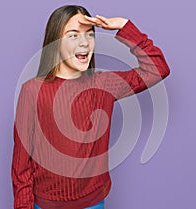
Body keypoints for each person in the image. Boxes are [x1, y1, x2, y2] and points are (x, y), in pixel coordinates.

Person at [11, 4, 170, 209]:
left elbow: (158, 68)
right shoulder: (32, 91)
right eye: (73, 35)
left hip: (93, 203)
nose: (84, 43)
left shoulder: (103, 84)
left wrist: (124, 26)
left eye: (89, 34)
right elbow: (21, 165)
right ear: (55, 42)